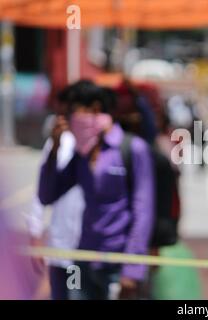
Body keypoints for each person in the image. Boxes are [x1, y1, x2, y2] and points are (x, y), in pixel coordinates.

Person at [38, 80, 155, 300]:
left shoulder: (133, 149)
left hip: (117, 264)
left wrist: (132, 268)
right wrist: (54, 149)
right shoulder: (81, 154)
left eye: (71, 113)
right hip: (83, 260)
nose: (68, 122)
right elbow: (47, 195)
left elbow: (143, 211)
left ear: (94, 109)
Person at [27, 82, 85, 300]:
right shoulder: (57, 143)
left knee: (76, 295)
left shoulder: (94, 145)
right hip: (59, 245)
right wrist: (35, 233)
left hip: (81, 250)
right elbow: (42, 191)